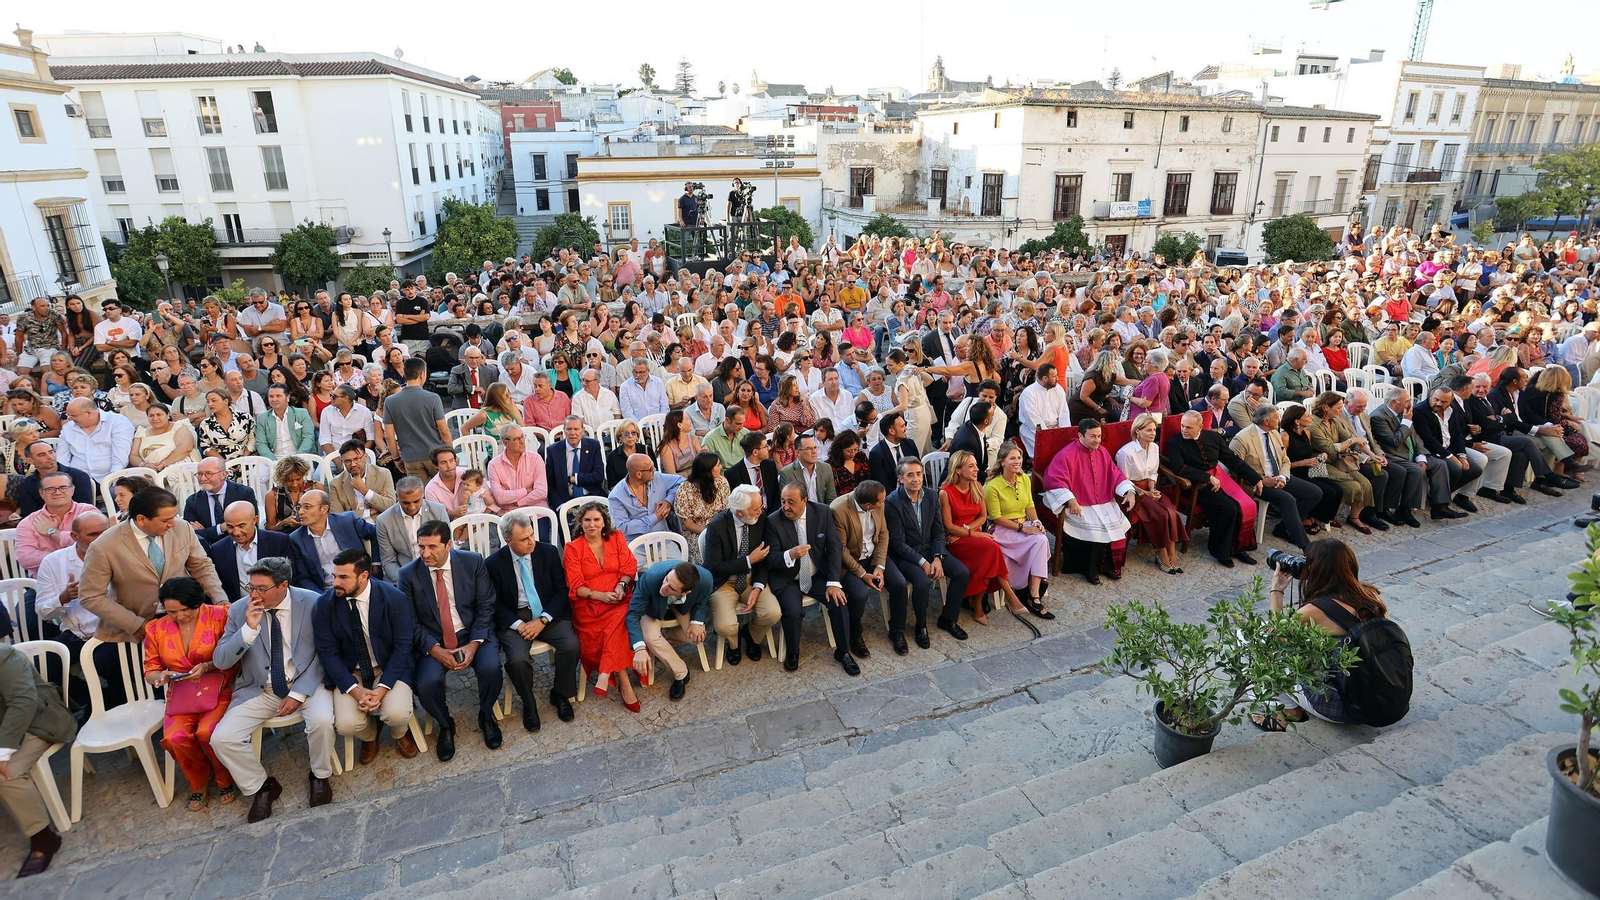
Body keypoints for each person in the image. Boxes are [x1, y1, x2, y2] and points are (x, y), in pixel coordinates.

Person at [210, 556, 337, 823]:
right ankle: (262, 786)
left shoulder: (312, 602)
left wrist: (299, 693)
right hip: (260, 688)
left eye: (261, 589)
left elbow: (325, 653)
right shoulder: (238, 610)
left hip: (306, 683)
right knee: (221, 738)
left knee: (322, 721)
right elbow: (221, 660)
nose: (254, 595)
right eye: (251, 587)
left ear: (283, 585)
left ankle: (320, 775)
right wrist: (248, 630)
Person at [1256, 539, 1398, 729]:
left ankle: (1290, 711)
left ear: (1317, 571)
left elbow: (1274, 640)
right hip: (1380, 699)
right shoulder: (1371, 596)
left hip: (1341, 709)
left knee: (1258, 638)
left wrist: (1277, 590)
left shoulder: (1317, 610)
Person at [399, 522, 502, 760]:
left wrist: (474, 644)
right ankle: (446, 725)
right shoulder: (408, 575)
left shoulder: (472, 561)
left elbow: (486, 605)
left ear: (448, 545)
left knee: (491, 667)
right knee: (425, 684)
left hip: (471, 633)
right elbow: (409, 622)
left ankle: (486, 716)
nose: (425, 553)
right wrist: (435, 651)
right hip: (433, 640)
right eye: (421, 547)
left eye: (432, 547)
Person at [313, 548, 419, 765]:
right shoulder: (325, 604)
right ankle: (371, 735)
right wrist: (355, 691)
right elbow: (328, 653)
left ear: (363, 576)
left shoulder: (394, 598)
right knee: (346, 725)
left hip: (387, 666)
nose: (335, 583)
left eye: (343, 577)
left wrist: (381, 690)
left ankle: (399, 733)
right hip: (351, 671)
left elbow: (402, 646)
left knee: (397, 713)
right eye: (334, 576)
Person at [79, 487, 227, 641]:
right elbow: (90, 596)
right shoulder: (104, 545)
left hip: (186, 620)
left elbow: (201, 566)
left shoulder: (182, 528)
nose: (173, 524)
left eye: (174, 517)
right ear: (142, 519)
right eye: (165, 520)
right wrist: (136, 625)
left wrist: (220, 599)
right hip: (133, 630)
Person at [142, 576, 236, 811]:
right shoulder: (156, 628)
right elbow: (150, 669)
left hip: (219, 684)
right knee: (175, 738)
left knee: (207, 732)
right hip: (181, 692)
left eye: (185, 610)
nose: (180, 616)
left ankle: (225, 777)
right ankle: (199, 781)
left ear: (198, 602)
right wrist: (160, 676)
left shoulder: (220, 616)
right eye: (172, 611)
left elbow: (236, 655)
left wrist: (208, 666)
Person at [486, 509, 579, 731]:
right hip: (515, 617)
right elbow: (494, 604)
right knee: (517, 659)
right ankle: (529, 705)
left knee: (572, 645)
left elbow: (561, 590)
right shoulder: (493, 564)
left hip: (546, 613)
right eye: (524, 539)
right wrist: (519, 625)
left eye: (531, 535)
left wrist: (543, 619)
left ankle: (560, 694)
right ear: (508, 541)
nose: (531, 542)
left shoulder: (547, 552)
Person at [35, 511, 123, 710]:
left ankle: (120, 706)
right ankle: (94, 703)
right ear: (74, 537)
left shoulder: (121, 553)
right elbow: (42, 612)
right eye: (93, 535)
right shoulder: (53, 562)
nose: (101, 539)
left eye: (105, 532)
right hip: (76, 634)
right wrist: (64, 597)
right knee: (41, 665)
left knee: (106, 661)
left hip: (114, 632)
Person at [0, 641, 75, 877]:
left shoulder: (4, 657)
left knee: (7, 774)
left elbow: (23, 702)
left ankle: (43, 837)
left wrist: (2, 751)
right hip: (7, 726)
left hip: (37, 720)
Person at [563, 502, 642, 711]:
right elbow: (575, 586)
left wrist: (621, 586)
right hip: (589, 606)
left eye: (596, 520)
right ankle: (623, 682)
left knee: (623, 614)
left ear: (604, 521)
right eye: (587, 520)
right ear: (580, 522)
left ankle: (607, 672)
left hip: (619, 598)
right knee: (618, 622)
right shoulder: (572, 548)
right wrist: (601, 596)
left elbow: (628, 568)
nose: (592, 524)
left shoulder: (616, 539)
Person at [884, 456, 968, 648]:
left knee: (962, 573)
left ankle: (948, 619)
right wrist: (923, 562)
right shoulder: (892, 503)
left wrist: (938, 557)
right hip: (907, 554)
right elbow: (897, 544)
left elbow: (939, 530)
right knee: (921, 583)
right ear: (901, 478)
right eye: (910, 475)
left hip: (932, 549)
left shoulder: (931, 495)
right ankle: (921, 626)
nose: (916, 479)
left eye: (919, 474)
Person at [1162, 410, 1263, 567]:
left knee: (1246, 503)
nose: (1183, 430)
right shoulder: (1175, 443)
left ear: (1200, 427)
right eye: (1182, 426)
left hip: (1219, 478)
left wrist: (1256, 478)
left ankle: (1237, 548)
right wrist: (1206, 477)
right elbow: (1179, 469)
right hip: (1194, 486)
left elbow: (1232, 460)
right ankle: (1221, 551)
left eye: (1188, 427)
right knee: (1228, 508)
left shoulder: (1213, 437)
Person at [702, 485, 781, 667]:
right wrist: (748, 560)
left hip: (751, 579)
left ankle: (752, 636)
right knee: (724, 626)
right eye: (756, 509)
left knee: (772, 613)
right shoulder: (717, 526)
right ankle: (734, 644)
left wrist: (759, 586)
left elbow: (764, 558)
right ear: (739, 513)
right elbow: (714, 567)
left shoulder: (761, 520)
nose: (760, 511)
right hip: (724, 582)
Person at [1229, 403, 1327, 550]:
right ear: (1266, 421)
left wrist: (1282, 477)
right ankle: (1306, 547)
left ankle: (1284, 527)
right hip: (1258, 482)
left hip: (1279, 476)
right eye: (1276, 417)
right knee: (1287, 499)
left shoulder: (1274, 433)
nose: (1279, 419)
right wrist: (1261, 480)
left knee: (1315, 492)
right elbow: (1235, 470)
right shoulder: (1242, 439)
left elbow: (1285, 459)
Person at [1371, 388, 1464, 522]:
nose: (1410, 405)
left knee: (1440, 464)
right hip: (1395, 456)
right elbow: (1394, 441)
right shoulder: (1378, 417)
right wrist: (1406, 422)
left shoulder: (1404, 412)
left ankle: (1440, 507)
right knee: (1417, 471)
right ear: (1393, 403)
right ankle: (1404, 509)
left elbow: (1416, 437)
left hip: (1413, 453)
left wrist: (1421, 457)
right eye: (1407, 401)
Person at [983, 442, 1054, 611]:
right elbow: (996, 517)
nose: (1017, 461)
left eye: (1019, 457)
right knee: (1038, 541)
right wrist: (1025, 529)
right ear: (1002, 462)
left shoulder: (1024, 479)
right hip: (1004, 530)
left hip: (1024, 523)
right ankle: (1030, 592)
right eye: (1012, 458)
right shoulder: (992, 486)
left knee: (1041, 539)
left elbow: (1029, 505)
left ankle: (1034, 593)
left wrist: (1037, 523)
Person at [1115, 413, 1188, 575]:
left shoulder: (1154, 448)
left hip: (1149, 489)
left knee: (1172, 512)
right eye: (1148, 430)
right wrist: (1146, 493)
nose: (1152, 433)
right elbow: (1123, 481)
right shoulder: (1126, 453)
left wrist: (1153, 489)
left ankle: (1172, 553)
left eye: (1154, 430)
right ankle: (1161, 553)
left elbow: (1153, 472)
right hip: (1135, 494)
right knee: (1161, 515)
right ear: (1137, 431)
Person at [628, 558, 710, 697]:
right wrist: (640, 648)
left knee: (695, 636)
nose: (664, 587)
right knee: (650, 638)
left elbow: (702, 600)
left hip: (681, 606)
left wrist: (697, 622)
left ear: (686, 592)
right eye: (666, 580)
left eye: (671, 587)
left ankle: (665, 640)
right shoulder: (651, 578)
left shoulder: (706, 579)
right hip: (652, 607)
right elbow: (633, 614)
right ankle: (681, 673)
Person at [287, 489, 378, 592]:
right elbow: (303, 577)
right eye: (299, 507)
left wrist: (376, 564)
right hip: (326, 592)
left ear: (324, 509)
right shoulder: (296, 538)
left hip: (359, 585)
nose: (300, 512)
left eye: (307, 507)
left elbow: (377, 534)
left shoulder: (347, 521)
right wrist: (321, 598)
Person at [209, 500, 292, 604]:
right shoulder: (218, 550)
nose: (236, 532)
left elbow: (291, 579)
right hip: (239, 610)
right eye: (230, 526)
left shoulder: (279, 542)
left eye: (241, 525)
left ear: (255, 520)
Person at [14, 471, 96, 575]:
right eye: (50, 489)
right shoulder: (28, 523)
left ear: (72, 490)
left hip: (87, 577)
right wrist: (72, 555)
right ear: (41, 493)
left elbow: (92, 545)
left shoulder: (89, 513)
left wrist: (53, 532)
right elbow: (26, 559)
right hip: (45, 582)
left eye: (63, 487)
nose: (57, 492)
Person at [384, 357, 451, 480]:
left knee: (420, 495)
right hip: (435, 456)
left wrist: (396, 458)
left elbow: (389, 435)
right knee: (441, 493)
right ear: (422, 374)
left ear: (404, 373)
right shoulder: (433, 398)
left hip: (410, 458)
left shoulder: (390, 401)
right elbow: (444, 431)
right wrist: (450, 454)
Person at [607, 453, 684, 541]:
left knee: (682, 554)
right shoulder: (616, 496)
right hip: (636, 545)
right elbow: (623, 527)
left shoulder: (657, 478)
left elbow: (681, 482)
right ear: (639, 474)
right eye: (651, 469)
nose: (655, 469)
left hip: (664, 540)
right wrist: (654, 517)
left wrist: (668, 501)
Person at [58, 398, 134, 483]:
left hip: (110, 478)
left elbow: (120, 457)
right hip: (77, 479)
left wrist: (111, 481)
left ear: (89, 413)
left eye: (74, 416)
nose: (70, 419)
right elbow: (62, 458)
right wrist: (65, 480)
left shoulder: (117, 422)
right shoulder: (68, 428)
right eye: (69, 415)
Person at [11, 440, 92, 518]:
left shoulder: (78, 476)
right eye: (42, 455)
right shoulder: (26, 485)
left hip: (76, 523)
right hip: (41, 525)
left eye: (51, 452)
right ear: (30, 461)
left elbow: (84, 509)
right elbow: (30, 514)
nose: (50, 457)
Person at [546, 415, 605, 511]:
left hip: (592, 498)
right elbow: (550, 484)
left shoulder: (593, 446)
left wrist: (575, 478)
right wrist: (562, 506)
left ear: (583, 430)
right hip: (566, 502)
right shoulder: (553, 451)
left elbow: (599, 475)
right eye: (569, 429)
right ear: (564, 430)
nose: (572, 433)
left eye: (576, 429)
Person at [328, 440, 395, 522]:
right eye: (348, 461)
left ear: (366, 457)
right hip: (352, 527)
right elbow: (337, 517)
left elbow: (391, 506)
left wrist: (365, 491)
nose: (353, 464)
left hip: (378, 524)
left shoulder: (383, 474)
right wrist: (370, 512)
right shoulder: (335, 483)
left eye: (356, 459)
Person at [1020, 363, 1073, 458]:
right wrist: (1048, 434)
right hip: (1034, 431)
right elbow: (1033, 420)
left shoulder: (1058, 389)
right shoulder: (1028, 393)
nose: (1057, 378)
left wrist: (1064, 432)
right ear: (1045, 378)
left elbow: (1064, 414)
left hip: (1057, 429)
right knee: (1046, 452)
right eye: (1054, 376)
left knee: (1069, 448)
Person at [253, 384, 316, 460]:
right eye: (271, 396)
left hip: (300, 457)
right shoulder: (263, 418)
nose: (274, 399)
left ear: (288, 398)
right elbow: (261, 443)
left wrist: (297, 459)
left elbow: (308, 437)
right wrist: (273, 461)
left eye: (278, 396)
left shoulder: (301, 413)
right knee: (257, 472)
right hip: (273, 458)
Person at [724, 430, 780, 514]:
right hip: (749, 515)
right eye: (766, 446)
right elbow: (737, 504)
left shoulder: (770, 466)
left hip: (771, 513)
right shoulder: (732, 474)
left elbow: (775, 494)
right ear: (755, 452)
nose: (769, 448)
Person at [778, 433, 836, 505]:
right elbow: (787, 504)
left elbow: (831, 499)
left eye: (815, 448)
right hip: (799, 513)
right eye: (809, 449)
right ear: (797, 453)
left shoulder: (826, 468)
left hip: (822, 513)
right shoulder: (787, 473)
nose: (814, 452)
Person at [197, 388, 255, 460]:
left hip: (246, 459)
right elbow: (205, 447)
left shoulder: (245, 417)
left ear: (226, 401)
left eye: (214, 401)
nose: (210, 404)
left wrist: (243, 459)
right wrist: (224, 462)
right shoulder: (205, 424)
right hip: (220, 463)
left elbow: (252, 439)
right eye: (208, 402)